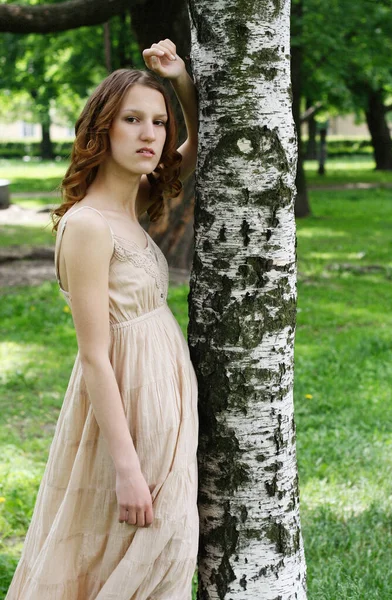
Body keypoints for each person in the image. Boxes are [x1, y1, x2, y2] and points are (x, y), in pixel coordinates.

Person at [6, 38, 199, 600]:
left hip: (166, 397)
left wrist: (180, 80)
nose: (149, 134)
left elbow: (200, 142)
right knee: (130, 557)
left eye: (159, 123)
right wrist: (127, 468)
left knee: (166, 554)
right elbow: (92, 354)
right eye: (132, 120)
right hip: (129, 412)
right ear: (101, 131)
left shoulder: (132, 200)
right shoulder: (88, 225)